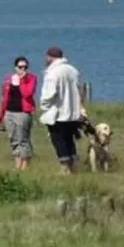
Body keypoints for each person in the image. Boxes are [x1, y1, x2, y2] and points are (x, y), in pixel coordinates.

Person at [39, 45, 85, 174]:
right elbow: (79, 91)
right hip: (73, 113)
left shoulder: (53, 73)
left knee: (58, 140)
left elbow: (49, 94)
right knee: (69, 139)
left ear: (50, 57)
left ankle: (65, 168)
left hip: (58, 113)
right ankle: (74, 166)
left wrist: (44, 106)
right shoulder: (72, 70)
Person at [0, 55, 37, 170]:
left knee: (23, 139)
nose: (23, 70)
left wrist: (21, 80)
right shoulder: (8, 79)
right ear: (15, 68)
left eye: (25, 67)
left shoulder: (31, 78)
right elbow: (4, 99)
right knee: (13, 139)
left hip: (23, 113)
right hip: (9, 113)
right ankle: (17, 163)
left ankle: (25, 165)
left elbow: (27, 94)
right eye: (20, 67)